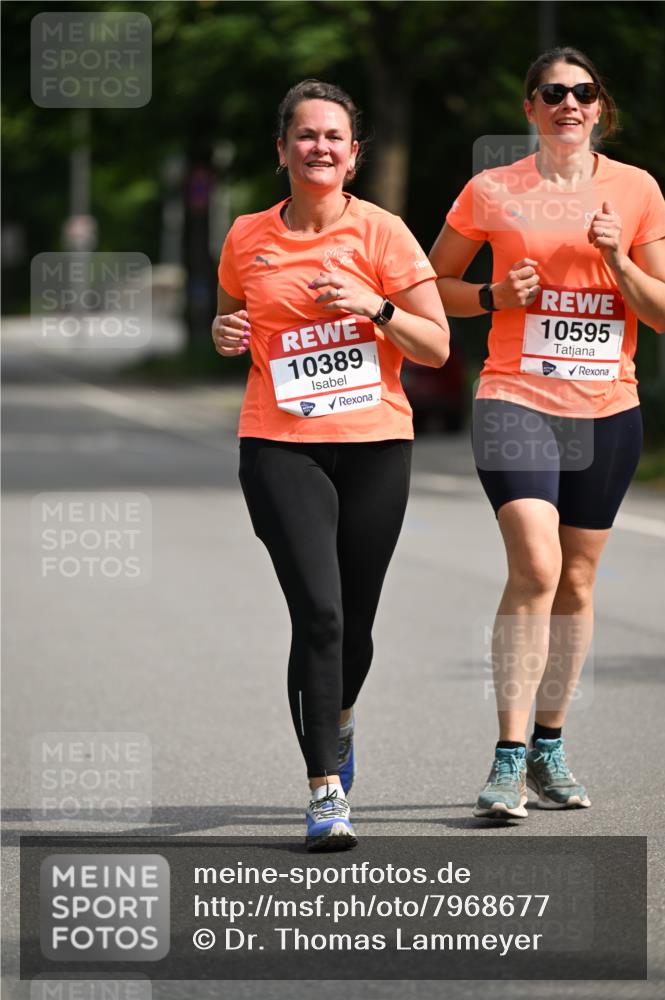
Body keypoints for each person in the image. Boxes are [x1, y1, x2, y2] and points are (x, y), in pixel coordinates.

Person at [430, 47, 665, 819]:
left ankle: (549, 745)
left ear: (600, 108)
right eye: (551, 92)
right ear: (528, 108)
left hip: (606, 408)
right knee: (535, 564)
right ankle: (506, 758)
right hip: (513, 397)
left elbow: (661, 310)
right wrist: (495, 293)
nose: (568, 102)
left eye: (583, 91)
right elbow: (433, 288)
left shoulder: (635, 191)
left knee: (575, 580)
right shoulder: (491, 189)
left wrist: (615, 261)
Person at [212, 80, 449, 849]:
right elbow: (232, 314)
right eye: (305, 135)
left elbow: (437, 346)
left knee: (356, 624)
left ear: (353, 157)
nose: (319, 147)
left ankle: (338, 718)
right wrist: (226, 333)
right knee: (318, 613)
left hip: (376, 444)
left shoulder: (383, 235)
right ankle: (323, 793)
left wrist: (371, 305)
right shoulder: (247, 235)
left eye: (334, 138)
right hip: (279, 443)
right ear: (281, 151)